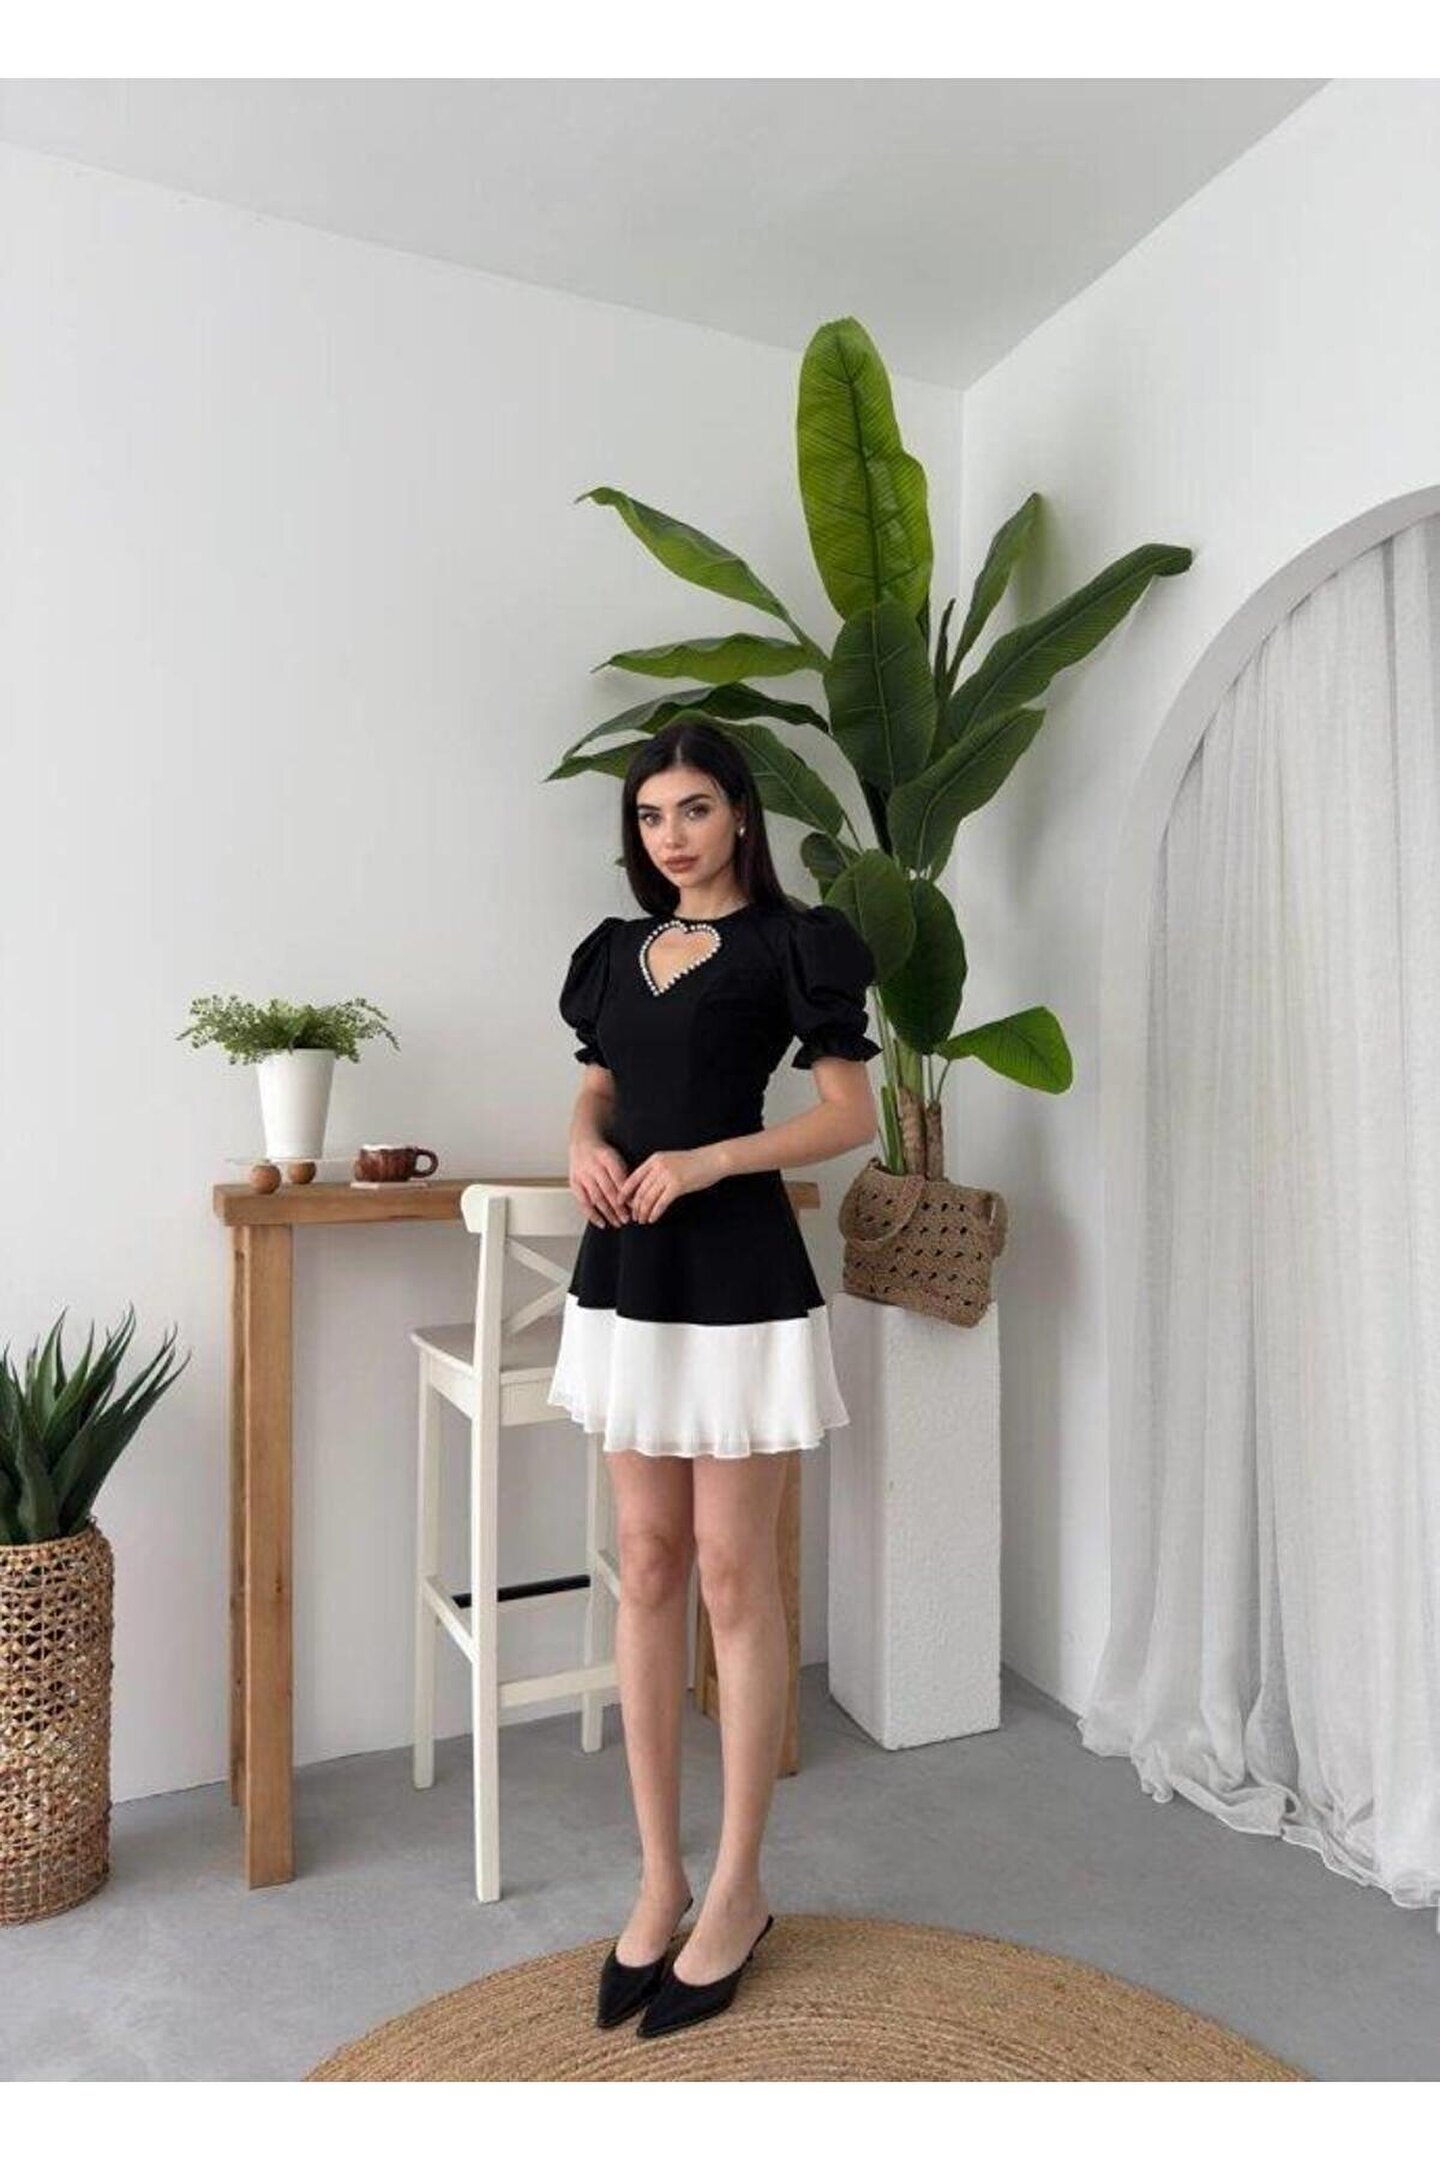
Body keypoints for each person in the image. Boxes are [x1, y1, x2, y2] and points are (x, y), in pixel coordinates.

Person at [544, 718, 881, 2040]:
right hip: (627, 1267)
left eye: (692, 808)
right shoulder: (611, 952)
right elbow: (599, 1089)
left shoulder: (795, 945)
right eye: (650, 816)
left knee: (737, 1578)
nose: (671, 835)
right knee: (647, 1561)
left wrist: (708, 1161)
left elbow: (849, 1114)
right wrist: (585, 1143)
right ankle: (659, 1878)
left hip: (737, 1270)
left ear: (739, 812)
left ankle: (738, 1889)